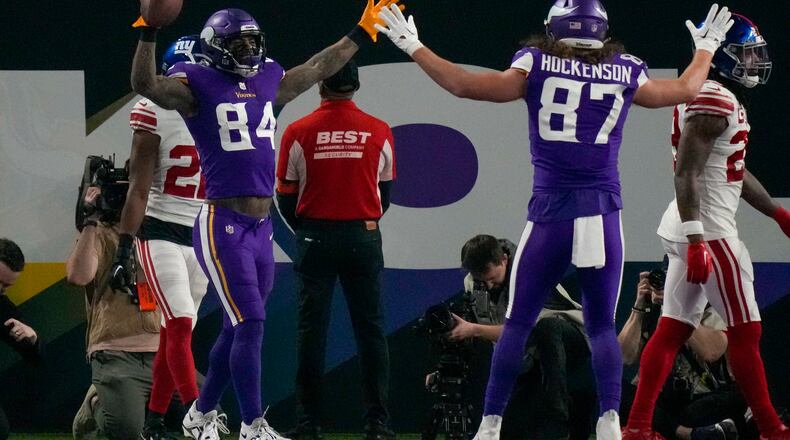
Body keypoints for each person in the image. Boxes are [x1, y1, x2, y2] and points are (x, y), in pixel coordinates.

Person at [374, 1, 733, 439]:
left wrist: (412, 45)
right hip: (602, 214)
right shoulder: (625, 69)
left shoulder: (537, 64)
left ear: (554, 30)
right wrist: (707, 49)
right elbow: (684, 90)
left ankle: (490, 423)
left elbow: (464, 85)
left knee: (520, 321)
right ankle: (608, 422)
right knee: (601, 326)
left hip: (551, 213)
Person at [129, 2, 402, 439]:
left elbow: (317, 66)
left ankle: (199, 414)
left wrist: (361, 30)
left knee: (239, 327)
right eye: (241, 42)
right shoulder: (195, 83)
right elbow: (144, 83)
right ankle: (253, 425)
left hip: (261, 227)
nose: (251, 49)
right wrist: (148, 31)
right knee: (251, 322)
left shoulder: (268, 77)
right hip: (222, 222)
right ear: (217, 47)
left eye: (255, 41)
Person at [623, 13, 790, 440]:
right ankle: (772, 429)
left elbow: (732, 168)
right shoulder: (715, 99)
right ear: (724, 56)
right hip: (709, 230)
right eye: (748, 53)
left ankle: (638, 427)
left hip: (690, 227)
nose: (754, 61)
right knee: (746, 331)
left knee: (673, 327)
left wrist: (774, 211)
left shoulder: (711, 94)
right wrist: (699, 239)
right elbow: (687, 173)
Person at [275, 60, 396, 440]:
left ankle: (309, 424)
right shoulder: (379, 131)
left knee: (312, 332)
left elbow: (285, 196)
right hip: (363, 236)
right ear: (356, 87)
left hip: (315, 238)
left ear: (320, 87)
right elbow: (385, 195)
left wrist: (307, 231)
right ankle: (377, 423)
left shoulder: (297, 131)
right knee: (371, 331)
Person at [111, 34, 213, 440]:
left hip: (203, 233)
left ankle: (154, 420)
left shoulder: (219, 109)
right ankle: (195, 417)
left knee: (173, 331)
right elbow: (138, 188)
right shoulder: (154, 111)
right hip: (161, 229)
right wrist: (123, 245)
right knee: (181, 323)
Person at [450, 235, 594, 440]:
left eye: (491, 278)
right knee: (509, 430)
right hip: (529, 356)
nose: (488, 285)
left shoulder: (531, 272)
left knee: (548, 328)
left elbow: (518, 330)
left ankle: (557, 418)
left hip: (571, 339)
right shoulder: (472, 283)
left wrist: (474, 329)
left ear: (504, 260)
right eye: (481, 279)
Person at [66, 186, 162, 440]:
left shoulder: (160, 234)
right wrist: (89, 223)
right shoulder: (99, 235)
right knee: (127, 430)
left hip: (164, 350)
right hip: (116, 349)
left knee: (208, 409)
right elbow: (78, 276)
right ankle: (96, 405)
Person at [619, 270, 746, 440]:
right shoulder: (652, 310)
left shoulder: (717, 308)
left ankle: (673, 428)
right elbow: (624, 357)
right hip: (663, 398)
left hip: (704, 396)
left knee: (727, 400)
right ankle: (685, 433)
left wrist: (675, 308)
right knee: (616, 390)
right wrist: (639, 306)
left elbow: (711, 351)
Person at [0, 238, 45, 440]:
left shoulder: (2, 308)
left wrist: (32, 338)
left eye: (5, 286)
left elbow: (37, 358)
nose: (0, 289)